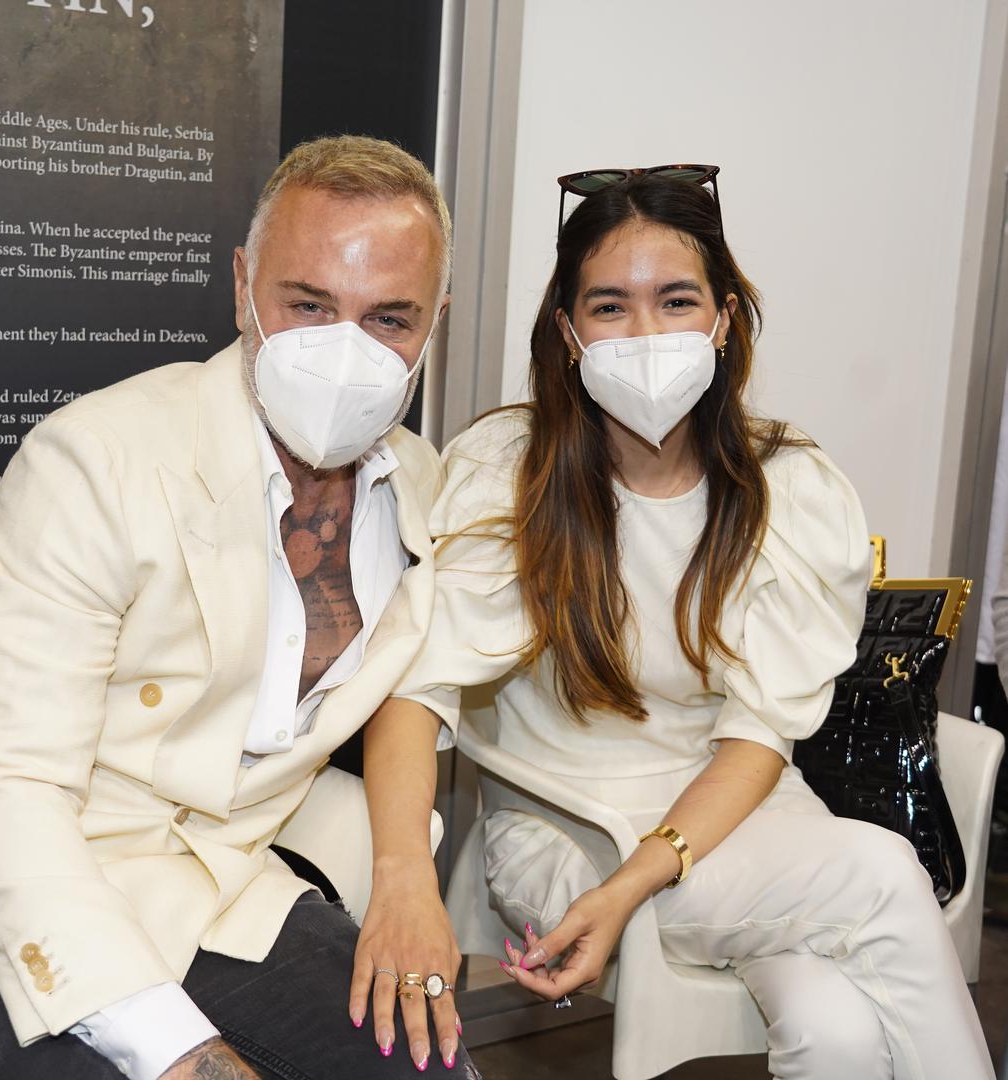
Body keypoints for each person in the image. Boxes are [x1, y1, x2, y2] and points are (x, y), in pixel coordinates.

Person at [0, 135, 478, 1080]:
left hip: (210, 894)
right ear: (242, 287)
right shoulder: (97, 461)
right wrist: (182, 1051)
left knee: (426, 1065)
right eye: (307, 306)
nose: (345, 352)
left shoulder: (422, 491)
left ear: (433, 325)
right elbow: (3, 791)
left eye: (388, 318)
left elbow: (421, 680)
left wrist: (405, 874)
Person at [380, 167, 994, 1078]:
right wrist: (402, 882)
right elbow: (416, 690)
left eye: (676, 301)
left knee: (837, 1030)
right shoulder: (508, 473)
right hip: (568, 831)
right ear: (567, 331)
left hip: (735, 815)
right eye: (610, 307)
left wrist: (640, 880)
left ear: (724, 319)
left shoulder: (784, 484)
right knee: (882, 874)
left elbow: (757, 739)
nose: (647, 334)